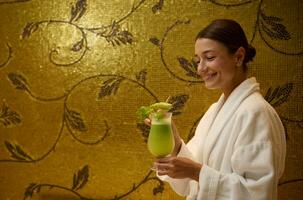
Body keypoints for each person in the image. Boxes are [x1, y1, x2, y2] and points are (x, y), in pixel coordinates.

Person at [144, 19, 286, 200]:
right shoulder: (214, 111)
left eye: (209, 58)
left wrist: (197, 172)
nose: (200, 68)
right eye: (198, 60)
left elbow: (258, 193)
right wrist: (176, 143)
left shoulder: (255, 112)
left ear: (239, 57)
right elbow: (191, 181)